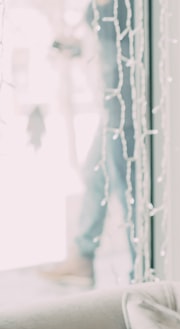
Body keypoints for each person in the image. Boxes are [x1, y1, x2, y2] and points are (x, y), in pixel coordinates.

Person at [40, 0, 137, 287]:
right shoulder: (110, 9)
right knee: (96, 175)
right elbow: (109, 49)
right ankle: (82, 257)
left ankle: (142, 273)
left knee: (130, 193)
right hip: (116, 109)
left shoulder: (122, 7)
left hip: (127, 112)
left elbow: (123, 48)